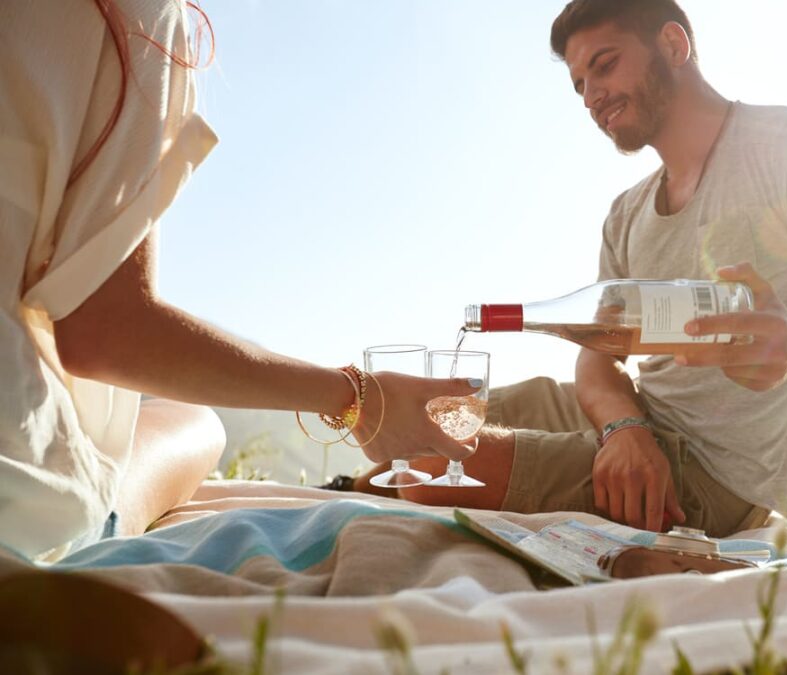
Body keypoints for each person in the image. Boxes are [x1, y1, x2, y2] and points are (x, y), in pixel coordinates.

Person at [384, 0, 787, 537]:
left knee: (431, 471)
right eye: (579, 84)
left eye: (605, 65)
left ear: (674, 46)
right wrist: (625, 425)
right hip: (634, 420)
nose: (591, 97)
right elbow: (598, 356)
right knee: (428, 423)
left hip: (708, 477)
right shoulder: (626, 214)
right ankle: (346, 489)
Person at [0, 0, 477, 561]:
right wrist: (357, 397)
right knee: (196, 425)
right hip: (21, 513)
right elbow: (105, 331)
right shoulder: (134, 20)